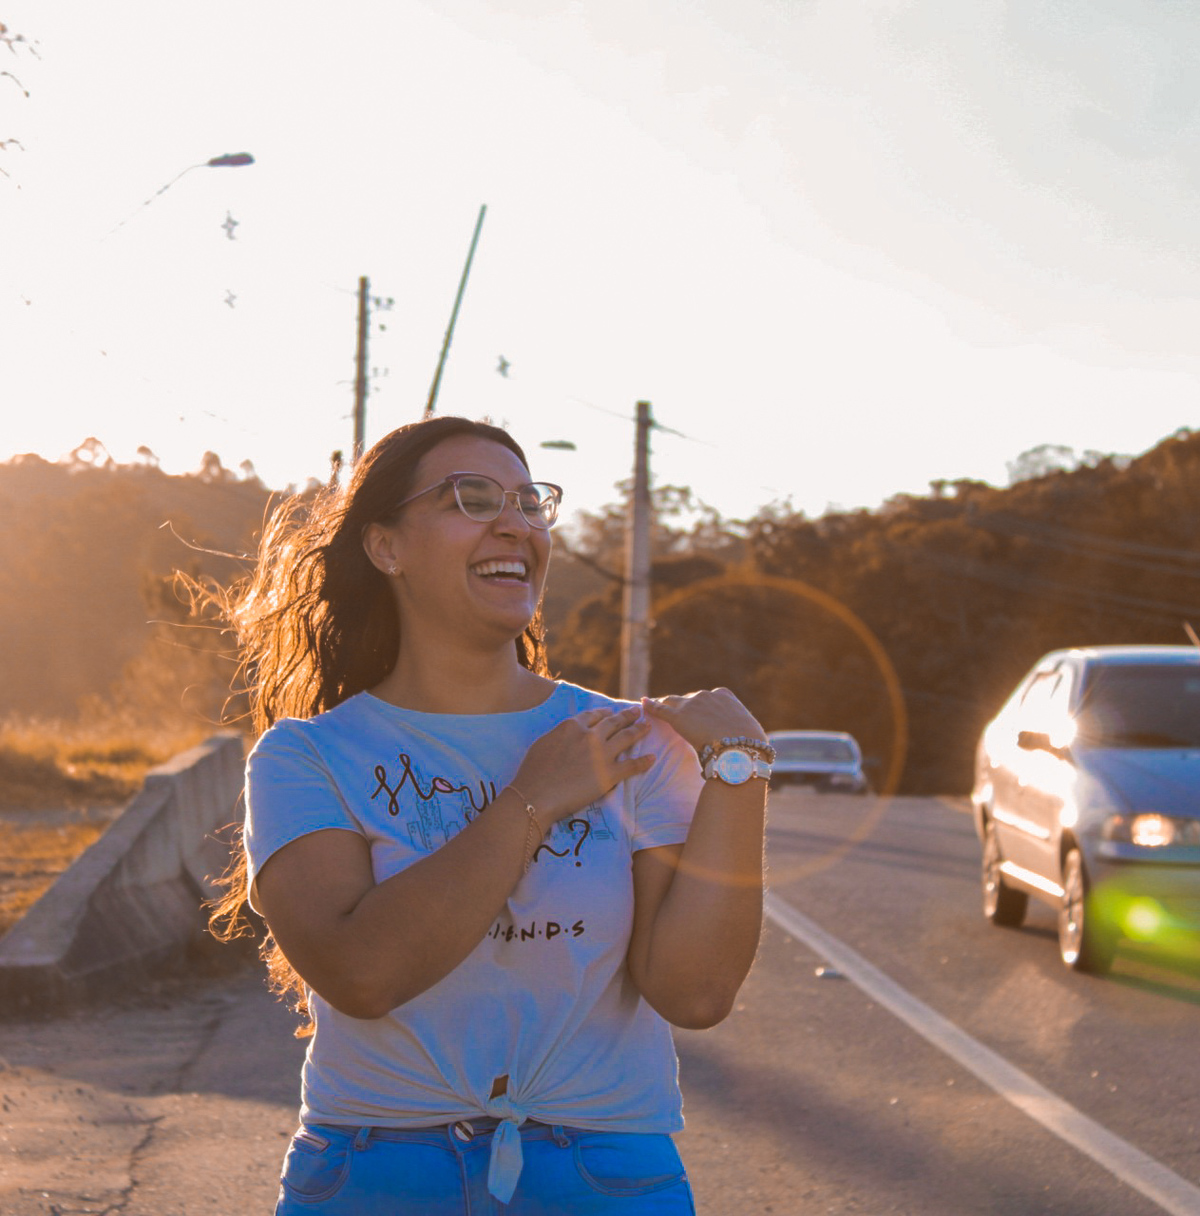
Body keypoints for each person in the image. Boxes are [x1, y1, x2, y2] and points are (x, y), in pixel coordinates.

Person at [210, 415, 772, 1215]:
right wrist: (533, 801)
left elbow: (697, 993)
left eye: (529, 501)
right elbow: (361, 973)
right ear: (387, 547)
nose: (516, 522)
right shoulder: (307, 756)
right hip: (375, 1171)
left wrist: (740, 773)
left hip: (604, 1169)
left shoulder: (631, 740)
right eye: (471, 497)